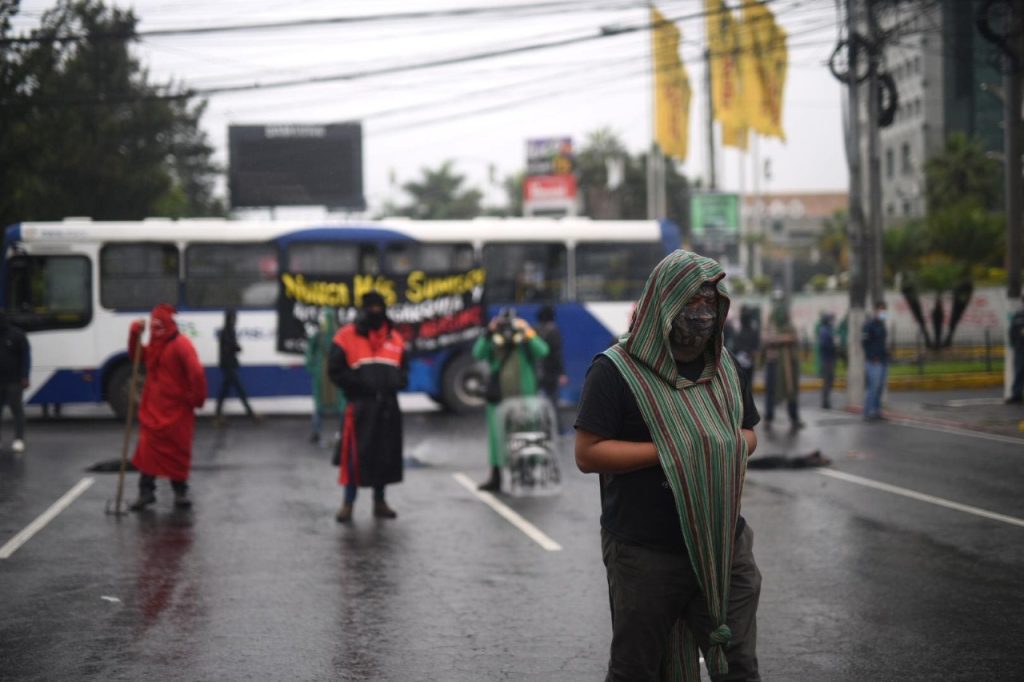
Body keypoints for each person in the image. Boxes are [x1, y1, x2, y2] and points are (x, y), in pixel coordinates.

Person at [575, 250, 761, 681]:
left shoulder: (724, 367)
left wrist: (718, 446)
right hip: (645, 553)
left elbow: (748, 434)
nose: (703, 314)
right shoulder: (615, 371)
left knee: (738, 667)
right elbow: (587, 453)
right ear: (664, 303)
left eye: (710, 303)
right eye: (692, 302)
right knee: (638, 669)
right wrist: (671, 451)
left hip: (723, 546)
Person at [328, 292, 407, 522]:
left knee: (384, 456)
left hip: (388, 407)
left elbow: (404, 370)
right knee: (354, 457)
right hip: (360, 407)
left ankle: (379, 502)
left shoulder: (395, 338)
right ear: (363, 309)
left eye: (379, 307)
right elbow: (335, 369)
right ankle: (348, 504)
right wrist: (357, 386)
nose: (375, 311)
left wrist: (396, 382)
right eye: (370, 307)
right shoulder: (345, 336)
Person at [129, 304, 208, 511]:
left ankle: (178, 490)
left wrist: (195, 398)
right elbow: (136, 356)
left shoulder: (180, 345)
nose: (156, 331)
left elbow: (196, 374)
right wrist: (135, 333)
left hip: (175, 409)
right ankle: (149, 492)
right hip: (155, 409)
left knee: (174, 451)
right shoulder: (158, 345)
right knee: (151, 451)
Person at [473, 308, 549, 492]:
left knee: (526, 437)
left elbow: (543, 350)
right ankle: (496, 477)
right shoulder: (494, 338)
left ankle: (527, 475)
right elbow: (478, 353)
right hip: (499, 398)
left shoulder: (523, 338)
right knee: (497, 438)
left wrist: (526, 331)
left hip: (524, 397)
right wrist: (489, 332)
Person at [761, 294, 804, 430]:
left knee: (791, 391)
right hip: (773, 362)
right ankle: (768, 418)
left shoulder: (789, 325)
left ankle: (794, 418)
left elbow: (793, 337)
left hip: (788, 365)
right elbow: (767, 339)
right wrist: (781, 339)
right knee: (770, 391)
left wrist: (778, 339)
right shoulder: (770, 323)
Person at [305, 308, 345, 444]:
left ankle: (316, 432)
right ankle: (344, 432)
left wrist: (312, 367)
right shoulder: (340, 335)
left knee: (319, 406)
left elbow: (309, 355)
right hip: (335, 373)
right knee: (341, 406)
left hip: (321, 373)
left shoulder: (317, 336)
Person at [214, 309, 259, 424]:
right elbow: (229, 348)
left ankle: (218, 414)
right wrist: (237, 348)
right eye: (234, 318)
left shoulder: (228, 331)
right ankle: (251, 414)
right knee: (240, 390)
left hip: (228, 365)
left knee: (225, 391)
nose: (236, 321)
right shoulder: (227, 332)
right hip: (228, 365)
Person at [0, 311, 31, 453]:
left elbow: (26, 357)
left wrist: (24, 376)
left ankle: (19, 439)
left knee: (16, 409)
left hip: (14, 380)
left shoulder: (17, 334)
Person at [535, 304, 568, 433]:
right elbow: (556, 354)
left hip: (538, 373)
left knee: (540, 402)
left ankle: (542, 428)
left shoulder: (535, 330)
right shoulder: (554, 330)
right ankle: (558, 429)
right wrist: (562, 373)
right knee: (554, 403)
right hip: (551, 373)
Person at [862, 300, 889, 421]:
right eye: (881, 310)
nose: (883, 312)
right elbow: (864, 343)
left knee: (879, 388)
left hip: (883, 360)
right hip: (873, 361)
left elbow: (882, 343)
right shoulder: (868, 325)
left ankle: (878, 412)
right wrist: (872, 356)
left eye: (884, 310)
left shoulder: (882, 325)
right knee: (873, 387)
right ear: (875, 311)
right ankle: (868, 412)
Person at [817, 312, 838, 409]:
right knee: (827, 381)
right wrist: (833, 346)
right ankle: (825, 402)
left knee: (830, 381)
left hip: (830, 359)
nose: (832, 322)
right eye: (831, 320)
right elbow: (824, 345)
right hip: (827, 359)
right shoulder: (824, 330)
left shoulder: (828, 330)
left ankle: (826, 401)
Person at [1007, 295, 1024, 404]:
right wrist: (1015, 344)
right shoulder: (1018, 315)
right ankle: (1016, 394)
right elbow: (1012, 331)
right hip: (1020, 348)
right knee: (1019, 371)